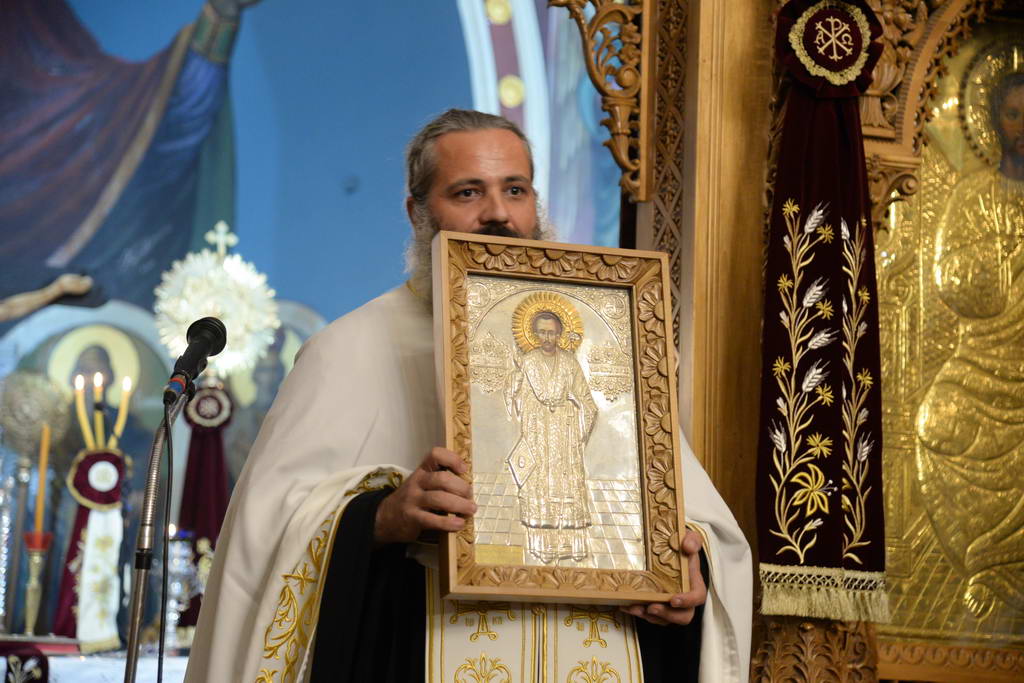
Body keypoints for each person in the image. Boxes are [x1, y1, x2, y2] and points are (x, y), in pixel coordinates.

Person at [185, 109, 752, 682]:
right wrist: (383, 516)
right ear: (417, 213)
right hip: (425, 649)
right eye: (468, 192)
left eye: (515, 189)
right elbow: (268, 532)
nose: (498, 213)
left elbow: (690, 517)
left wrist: (684, 567)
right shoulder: (350, 349)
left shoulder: (616, 335)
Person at [917, 70, 1024, 617]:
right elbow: (947, 275)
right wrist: (998, 262)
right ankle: (985, 562)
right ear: (993, 122)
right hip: (983, 355)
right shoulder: (973, 194)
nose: (1022, 127)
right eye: (1013, 114)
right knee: (937, 422)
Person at [505, 308, 597, 564]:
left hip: (565, 433)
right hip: (538, 432)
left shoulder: (569, 362)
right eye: (542, 332)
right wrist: (515, 380)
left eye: (552, 333)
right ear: (534, 334)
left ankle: (570, 546)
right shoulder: (528, 362)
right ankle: (541, 546)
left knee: (566, 486)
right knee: (541, 485)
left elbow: (586, 399)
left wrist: (579, 427)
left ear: (559, 334)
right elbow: (515, 397)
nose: (547, 337)